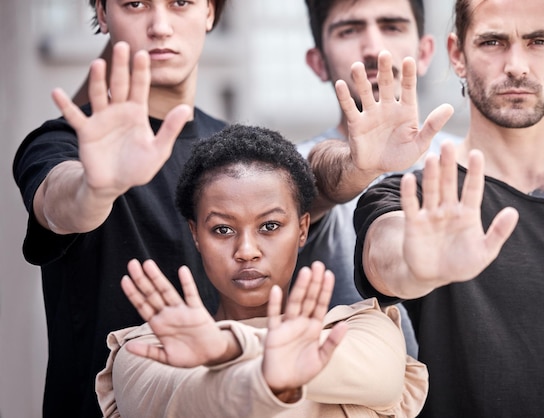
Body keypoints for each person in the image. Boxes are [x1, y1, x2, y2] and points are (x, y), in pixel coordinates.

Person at [315, 0, 544, 416]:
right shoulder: (411, 192)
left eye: (537, 41)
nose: (516, 65)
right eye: (493, 41)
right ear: (457, 54)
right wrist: (414, 267)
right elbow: (386, 254)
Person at [95, 124, 428, 417]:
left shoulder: (364, 328)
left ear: (301, 230)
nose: (247, 252)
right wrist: (267, 376)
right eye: (223, 229)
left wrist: (230, 349)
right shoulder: (143, 351)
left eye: (269, 226)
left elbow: (381, 380)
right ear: (196, 234)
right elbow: (196, 402)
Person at [12, 0, 229, 416]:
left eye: (181, 2)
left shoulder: (243, 152)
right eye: (135, 3)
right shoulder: (60, 143)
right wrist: (96, 188)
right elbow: (60, 204)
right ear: (103, 13)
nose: (160, 26)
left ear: (210, 11)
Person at [297, 0, 461, 357]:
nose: (373, 48)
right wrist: (360, 166)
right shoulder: (282, 169)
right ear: (317, 62)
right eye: (349, 30)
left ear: (425, 52)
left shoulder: (472, 164)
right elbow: (310, 183)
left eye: (392, 26)